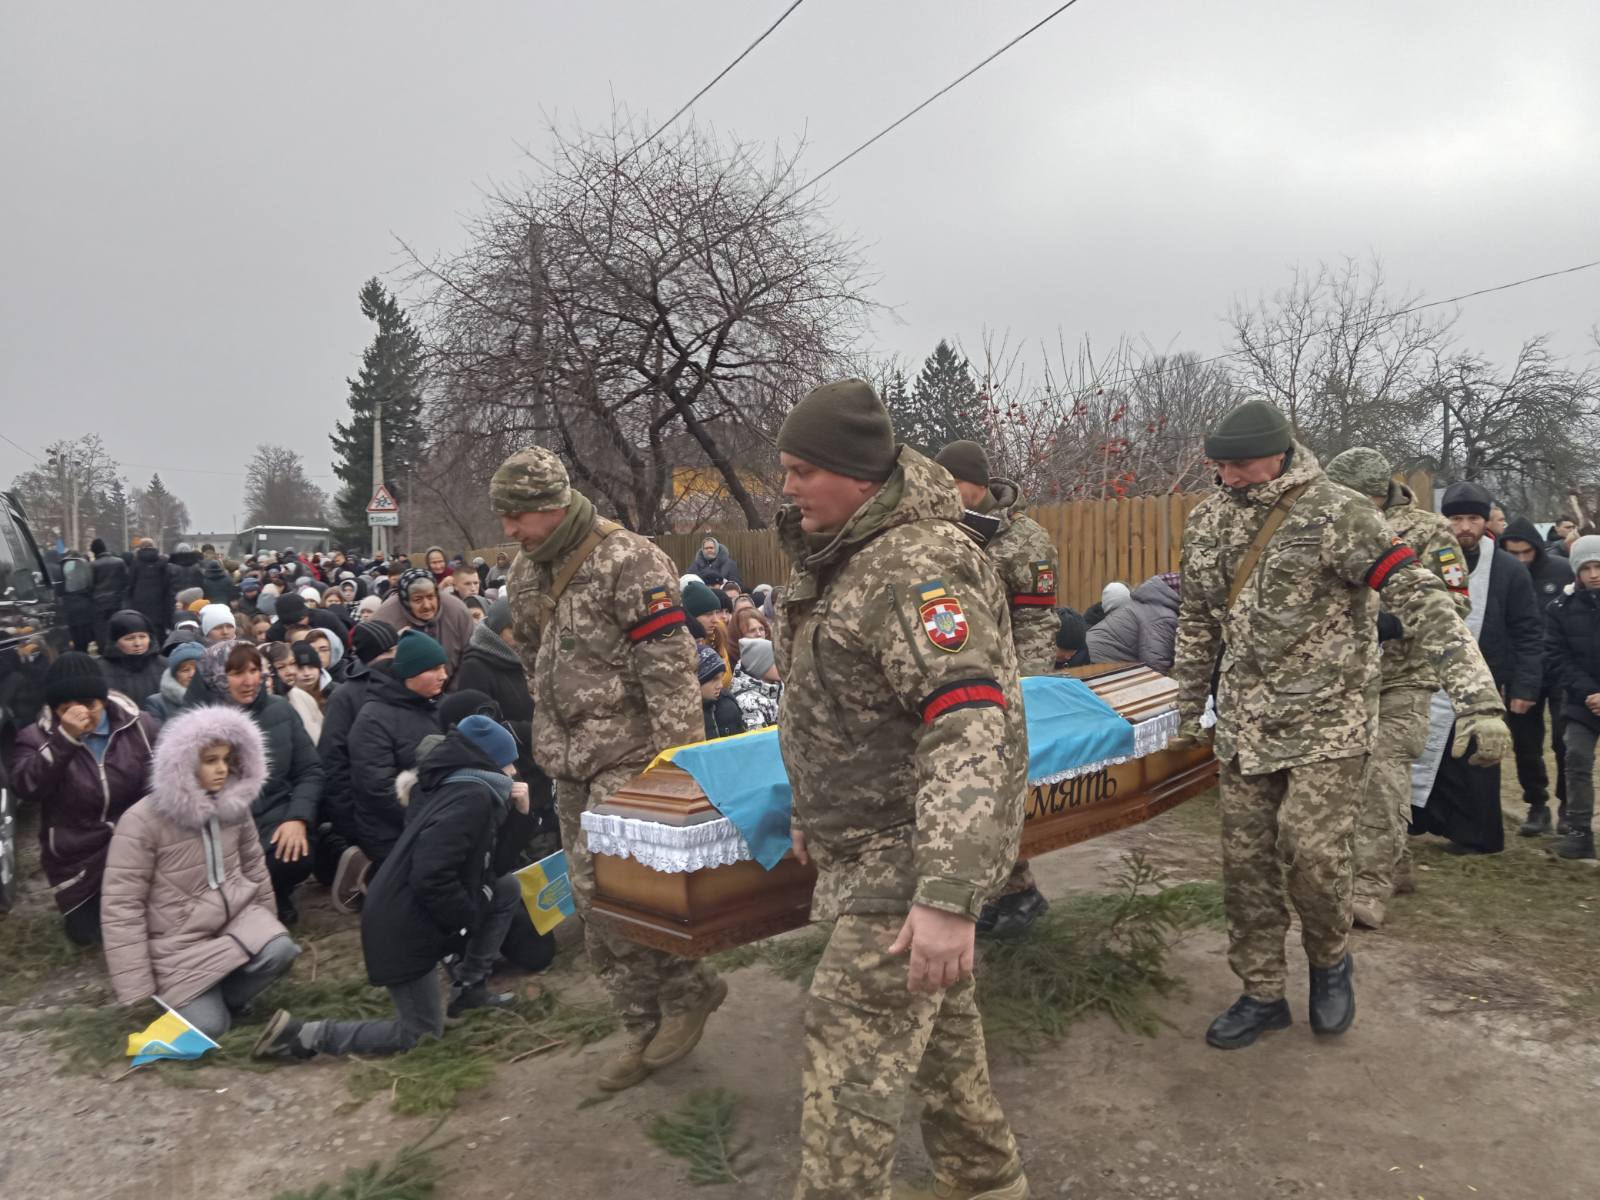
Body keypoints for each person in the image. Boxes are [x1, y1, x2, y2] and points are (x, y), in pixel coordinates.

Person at [1171, 400, 1507, 1051]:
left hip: (1328, 726)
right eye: (1221, 464)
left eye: (1240, 463)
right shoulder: (1208, 519)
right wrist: (1188, 708)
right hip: (1244, 728)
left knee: (1315, 856)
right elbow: (1195, 620)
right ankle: (1262, 992)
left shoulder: (1338, 512)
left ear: (1280, 453)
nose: (1229, 475)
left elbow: (1422, 599)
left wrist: (1478, 699)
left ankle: (1329, 960)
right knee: (1246, 868)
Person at [772, 379, 1029, 1200]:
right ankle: (987, 1183)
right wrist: (812, 810)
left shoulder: (916, 566)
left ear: (856, 475)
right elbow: (841, 707)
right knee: (945, 1044)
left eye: (801, 471)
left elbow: (967, 722)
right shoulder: (846, 551)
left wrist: (949, 896)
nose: (786, 487)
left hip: (913, 851)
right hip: (875, 839)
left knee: (846, 1070)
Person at [494, 444, 724, 1093]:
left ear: (550, 506)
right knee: (593, 901)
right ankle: (643, 1025)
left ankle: (685, 994)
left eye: (516, 516)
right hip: (570, 759)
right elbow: (536, 660)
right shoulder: (526, 573)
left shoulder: (630, 559)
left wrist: (676, 767)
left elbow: (670, 669)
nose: (508, 529)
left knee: (636, 891)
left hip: (632, 754)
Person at [252, 716, 529, 1060]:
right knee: (420, 1034)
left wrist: (517, 814)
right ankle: (304, 1036)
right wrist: (466, 919)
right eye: (507, 762)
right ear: (487, 761)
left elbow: (491, 866)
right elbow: (431, 874)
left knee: (504, 888)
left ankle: (470, 988)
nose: (514, 770)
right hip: (402, 927)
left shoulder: (462, 788)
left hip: (412, 915)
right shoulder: (470, 798)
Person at [1324, 448, 1470, 928]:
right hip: (1347, 678)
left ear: (1377, 491)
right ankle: (1397, 861)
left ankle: (1368, 887)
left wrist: (1394, 623)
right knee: (1352, 776)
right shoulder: (1332, 522)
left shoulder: (1430, 532)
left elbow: (1455, 602)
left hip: (1404, 678)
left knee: (1383, 775)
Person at [100, 704, 301, 1038]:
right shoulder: (141, 821)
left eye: (226, 759)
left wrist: (268, 923)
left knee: (281, 948)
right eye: (210, 761)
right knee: (211, 1027)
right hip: (176, 943)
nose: (222, 769)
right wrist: (136, 988)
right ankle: (209, 1001)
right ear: (182, 764)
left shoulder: (234, 805)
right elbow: (123, 906)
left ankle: (222, 994)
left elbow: (253, 865)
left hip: (233, 923)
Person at [934, 438, 1058, 940]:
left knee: (1000, 787)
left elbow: (1037, 620)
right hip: (956, 678)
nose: (945, 494)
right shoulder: (943, 530)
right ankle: (1005, 889)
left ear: (978, 484)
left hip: (1005, 681)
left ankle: (1017, 890)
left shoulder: (1024, 540)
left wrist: (1028, 686)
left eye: (953, 484)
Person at [1411, 482, 1543, 856]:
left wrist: (1524, 685)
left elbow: (1528, 631)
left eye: (1472, 518)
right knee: (1426, 754)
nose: (1464, 527)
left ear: (1485, 521)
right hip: (1429, 678)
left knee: (1475, 763)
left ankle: (1476, 836)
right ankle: (1425, 820)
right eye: (1456, 518)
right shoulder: (1429, 561)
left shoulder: (1507, 570)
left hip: (1485, 683)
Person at [4, 653, 159, 945]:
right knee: (91, 934)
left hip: (137, 843)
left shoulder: (139, 726)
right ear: (54, 709)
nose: (82, 714)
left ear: (103, 700)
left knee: (153, 918)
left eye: (90, 705)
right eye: (67, 708)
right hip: (80, 856)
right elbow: (26, 787)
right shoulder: (35, 738)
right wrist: (65, 739)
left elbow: (162, 782)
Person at [182, 640, 324, 924]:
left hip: (274, 818)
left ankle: (276, 894)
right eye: (237, 673)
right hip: (219, 828)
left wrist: (297, 818)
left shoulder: (280, 711)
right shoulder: (190, 727)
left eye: (255, 670)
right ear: (216, 678)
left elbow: (310, 770)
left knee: (294, 855)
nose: (250, 681)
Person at [348, 629, 449, 869]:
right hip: (394, 831)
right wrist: (431, 819)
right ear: (409, 674)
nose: (443, 675)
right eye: (433, 669)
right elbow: (378, 788)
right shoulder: (373, 719)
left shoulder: (439, 705)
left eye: (443, 667)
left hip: (439, 819)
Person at [1500, 516, 1575, 835]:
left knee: (1565, 741)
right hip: (1520, 671)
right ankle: (1536, 804)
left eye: (1525, 553)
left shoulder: (1561, 570)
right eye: (1513, 553)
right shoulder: (1501, 574)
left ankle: (1568, 807)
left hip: (1561, 670)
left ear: (1536, 549)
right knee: (1526, 743)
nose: (1520, 560)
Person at [318, 620, 400, 913]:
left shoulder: (403, 680)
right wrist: (348, 824)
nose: (397, 654)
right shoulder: (346, 697)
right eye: (390, 649)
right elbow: (333, 762)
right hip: (366, 810)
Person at [1540, 534, 1600, 859]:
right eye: (1586, 568)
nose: (1593, 574)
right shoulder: (1559, 609)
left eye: (1598, 566)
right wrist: (1590, 692)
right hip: (1582, 701)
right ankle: (1578, 832)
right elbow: (1556, 656)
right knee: (1576, 759)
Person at [373, 568, 474, 680]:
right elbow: (375, 668)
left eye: (431, 597)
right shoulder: (385, 617)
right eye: (418, 599)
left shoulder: (458, 611)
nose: (426, 605)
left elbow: (469, 658)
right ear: (406, 601)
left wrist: (451, 694)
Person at [1085, 573, 1181, 673]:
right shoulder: (1162, 616)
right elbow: (1155, 663)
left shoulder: (1147, 606)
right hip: (1098, 663)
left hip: (1092, 657)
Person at [99, 610, 167, 705]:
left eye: (142, 637)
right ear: (115, 642)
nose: (137, 644)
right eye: (129, 638)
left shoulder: (165, 666)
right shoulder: (99, 669)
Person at [142, 640, 206, 722]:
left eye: (198, 669)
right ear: (175, 675)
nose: (192, 674)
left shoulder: (218, 697)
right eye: (185, 670)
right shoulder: (156, 703)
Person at [123, 539, 173, 640]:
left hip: (140, 601)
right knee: (158, 630)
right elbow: (167, 584)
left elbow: (131, 583)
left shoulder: (136, 562)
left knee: (142, 628)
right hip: (159, 601)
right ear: (153, 546)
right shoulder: (163, 562)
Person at [728, 637, 782, 730]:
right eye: (775, 662)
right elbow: (759, 739)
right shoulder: (747, 701)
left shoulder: (779, 687)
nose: (781, 665)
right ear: (760, 667)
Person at [89, 537, 130, 649]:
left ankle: (105, 650)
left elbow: (90, 584)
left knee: (101, 629)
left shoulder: (93, 565)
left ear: (94, 551)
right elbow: (126, 580)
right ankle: (119, 647)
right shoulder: (119, 562)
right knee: (117, 626)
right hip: (117, 601)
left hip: (99, 602)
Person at [287, 641, 330, 743]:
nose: (307, 673)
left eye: (311, 667)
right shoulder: (288, 699)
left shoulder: (332, 693)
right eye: (300, 668)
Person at [698, 646, 744, 739]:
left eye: (721, 677)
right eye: (714, 679)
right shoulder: (685, 716)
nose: (720, 685)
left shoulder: (728, 703)